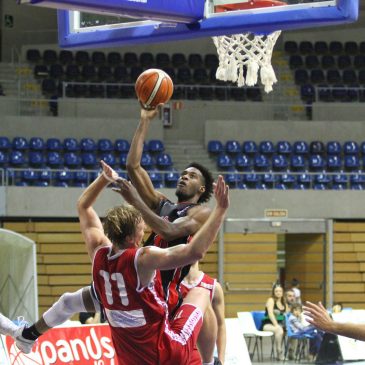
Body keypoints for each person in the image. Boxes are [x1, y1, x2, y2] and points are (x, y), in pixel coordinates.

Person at [18, 165, 229, 364]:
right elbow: (195, 252)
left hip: (128, 353)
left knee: (68, 301)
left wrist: (103, 178)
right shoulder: (144, 259)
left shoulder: (98, 250)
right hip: (162, 351)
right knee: (201, 292)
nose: (146, 226)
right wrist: (220, 211)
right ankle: (210, 362)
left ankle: (30, 334)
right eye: (141, 224)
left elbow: (83, 205)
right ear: (133, 236)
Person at [180, 261, 226, 365]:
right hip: (182, 354)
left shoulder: (214, 287)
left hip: (204, 356)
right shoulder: (171, 286)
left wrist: (221, 359)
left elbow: (221, 325)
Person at [261, 283, 289, 361]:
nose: (278, 293)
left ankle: (291, 352)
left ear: (283, 292)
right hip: (268, 324)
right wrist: (276, 325)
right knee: (279, 329)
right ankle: (279, 352)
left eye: (280, 291)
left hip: (281, 324)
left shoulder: (284, 302)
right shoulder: (271, 300)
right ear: (273, 292)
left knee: (292, 330)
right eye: (276, 291)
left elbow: (287, 315)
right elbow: (270, 314)